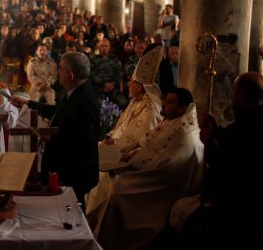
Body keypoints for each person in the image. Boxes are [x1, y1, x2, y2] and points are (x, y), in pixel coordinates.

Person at [86, 88, 204, 250]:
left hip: (159, 189)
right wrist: (131, 157)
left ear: (181, 109)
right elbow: (147, 146)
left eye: (169, 102)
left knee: (117, 192)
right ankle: (91, 233)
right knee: (107, 179)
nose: (163, 103)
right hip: (145, 173)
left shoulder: (184, 135)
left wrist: (132, 166)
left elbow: (167, 169)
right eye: (165, 99)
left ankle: (110, 243)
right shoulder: (169, 120)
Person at [180, 72, 263, 250]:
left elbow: (225, 168)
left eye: (234, 90)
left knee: (192, 224)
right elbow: (235, 146)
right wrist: (217, 129)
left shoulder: (246, 128)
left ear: (241, 94)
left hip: (247, 211)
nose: (231, 95)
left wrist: (209, 141)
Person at [11, 52, 100, 209]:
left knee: (70, 214)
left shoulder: (85, 100)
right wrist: (29, 103)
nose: (58, 72)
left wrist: (51, 138)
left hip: (73, 174)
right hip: (66, 170)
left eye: (61, 69)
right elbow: (58, 112)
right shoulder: (77, 92)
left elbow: (83, 141)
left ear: (71, 75)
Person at [102, 43, 164, 153]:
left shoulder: (149, 110)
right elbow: (123, 127)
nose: (128, 85)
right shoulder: (136, 101)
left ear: (139, 87)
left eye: (131, 82)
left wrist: (114, 143)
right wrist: (110, 137)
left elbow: (134, 141)